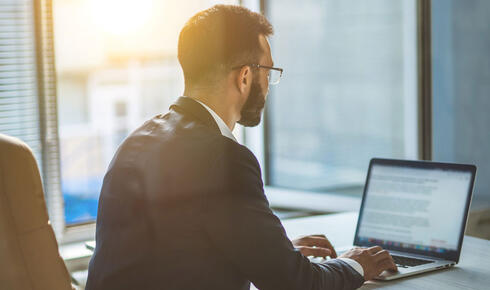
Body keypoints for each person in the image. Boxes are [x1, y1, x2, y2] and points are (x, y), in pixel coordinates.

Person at [86, 5, 396, 290]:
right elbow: (296, 284)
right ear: (245, 76)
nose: (269, 85)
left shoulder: (138, 140)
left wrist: (271, 252)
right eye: (268, 72)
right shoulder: (224, 158)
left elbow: (175, 254)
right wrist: (355, 263)